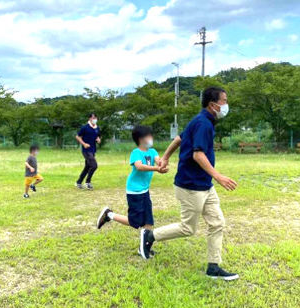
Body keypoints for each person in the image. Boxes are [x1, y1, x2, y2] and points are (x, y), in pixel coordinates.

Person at [138, 87, 239, 281]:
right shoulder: (203, 124)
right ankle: (149, 236)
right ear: (213, 104)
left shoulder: (201, 120)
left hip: (204, 185)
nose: (226, 105)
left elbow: (179, 138)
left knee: (217, 222)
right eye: (224, 101)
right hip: (190, 186)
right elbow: (198, 154)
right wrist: (218, 176)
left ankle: (213, 267)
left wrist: (166, 157)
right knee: (188, 228)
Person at [96, 126, 168, 256]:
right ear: (141, 139)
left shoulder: (153, 152)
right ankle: (109, 215)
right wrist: (157, 169)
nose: (152, 138)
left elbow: (159, 161)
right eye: (149, 136)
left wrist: (162, 165)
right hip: (134, 192)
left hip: (145, 191)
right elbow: (139, 166)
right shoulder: (136, 153)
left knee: (148, 221)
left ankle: (144, 248)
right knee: (135, 222)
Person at [75, 113, 101, 190]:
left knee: (87, 167)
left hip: (93, 150)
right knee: (94, 166)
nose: (94, 119)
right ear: (89, 118)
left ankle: (78, 182)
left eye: (96, 118)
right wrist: (84, 144)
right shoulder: (85, 127)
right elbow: (77, 136)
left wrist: (99, 140)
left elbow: (98, 137)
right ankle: (87, 182)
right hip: (86, 150)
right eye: (93, 118)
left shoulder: (97, 128)